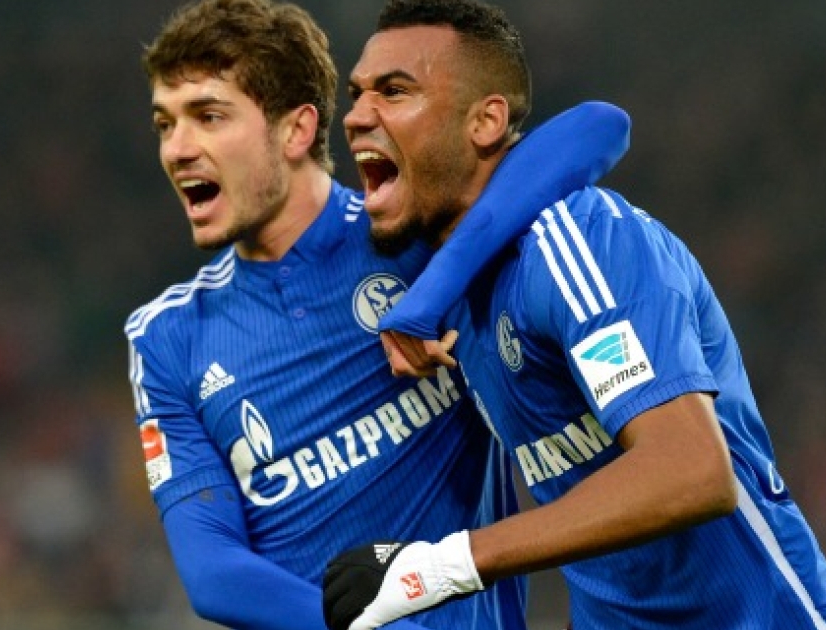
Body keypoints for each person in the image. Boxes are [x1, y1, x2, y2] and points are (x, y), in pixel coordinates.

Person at [321, 1, 826, 629]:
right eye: (356, 95)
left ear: (486, 120)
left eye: (394, 91)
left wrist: (440, 567)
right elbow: (592, 516)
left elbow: (691, 472)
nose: (357, 116)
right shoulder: (453, 301)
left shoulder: (576, 244)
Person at [122, 0, 630, 628]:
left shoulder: (411, 235)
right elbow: (215, 576)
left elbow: (599, 127)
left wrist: (430, 293)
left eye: (208, 117)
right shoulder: (165, 337)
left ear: (296, 130)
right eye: (165, 124)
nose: (177, 149)